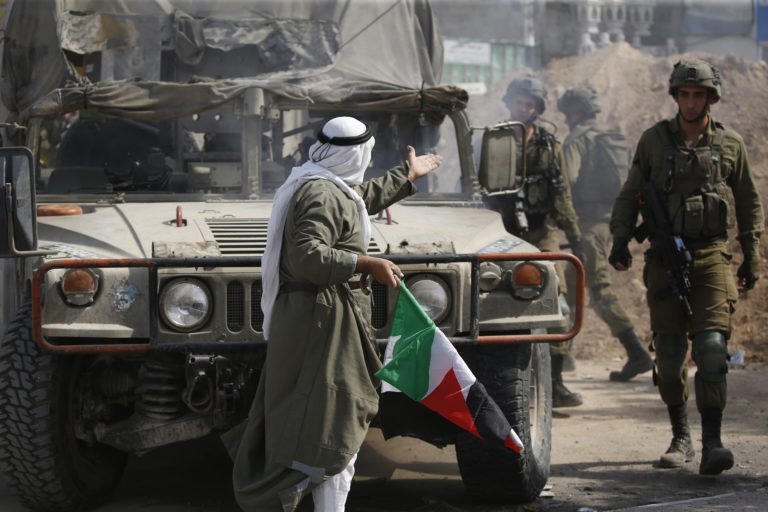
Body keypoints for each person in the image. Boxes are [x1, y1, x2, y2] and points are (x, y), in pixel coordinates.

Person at [227, 116, 443, 511]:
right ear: (356, 155)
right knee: (332, 425)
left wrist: (407, 174)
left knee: (331, 425)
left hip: (322, 316)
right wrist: (365, 263)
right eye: (366, 154)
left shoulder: (326, 185)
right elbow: (308, 255)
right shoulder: (320, 193)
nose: (367, 161)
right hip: (320, 321)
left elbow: (358, 201)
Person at [609, 59, 763, 475]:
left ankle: (713, 442)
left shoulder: (730, 143)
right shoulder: (654, 141)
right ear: (675, 96)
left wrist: (751, 254)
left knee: (711, 349)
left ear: (711, 98)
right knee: (671, 355)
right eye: (685, 94)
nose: (691, 102)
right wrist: (620, 238)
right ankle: (681, 437)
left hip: (712, 256)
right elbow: (630, 192)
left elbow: (748, 199)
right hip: (664, 257)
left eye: (699, 95)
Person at [487, 75, 586, 408]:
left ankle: (554, 382)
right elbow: (473, 184)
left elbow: (561, 193)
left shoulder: (548, 145)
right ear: (509, 103)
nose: (524, 109)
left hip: (541, 231)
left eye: (530, 104)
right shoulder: (493, 140)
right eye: (520, 102)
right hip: (501, 233)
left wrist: (574, 235)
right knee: (491, 297)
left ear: (538, 109)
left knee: (558, 302)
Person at [557, 87, 653, 382]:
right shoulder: (611, 139)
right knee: (571, 287)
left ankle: (636, 352)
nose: (566, 119)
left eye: (567, 114)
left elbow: (565, 181)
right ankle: (563, 356)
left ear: (575, 113)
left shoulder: (577, 140)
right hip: (608, 223)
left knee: (599, 289)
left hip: (587, 227)